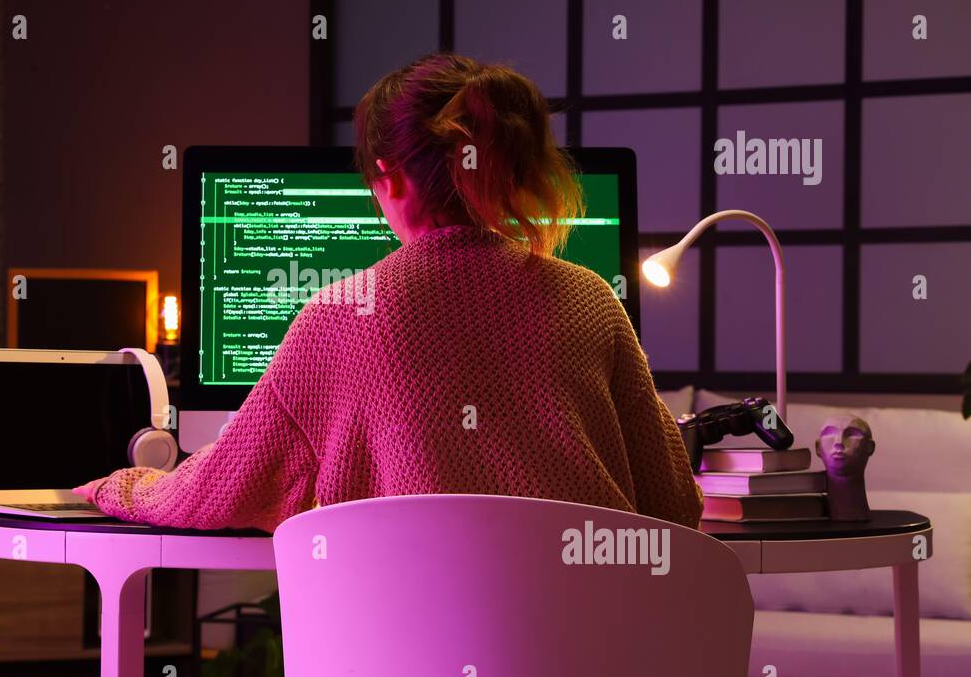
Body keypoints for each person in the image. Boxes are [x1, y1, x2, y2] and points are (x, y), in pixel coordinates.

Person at [75, 53, 702, 530]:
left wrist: (119, 486)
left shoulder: (337, 318)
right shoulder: (592, 300)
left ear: (390, 178)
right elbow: (673, 502)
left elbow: (218, 491)